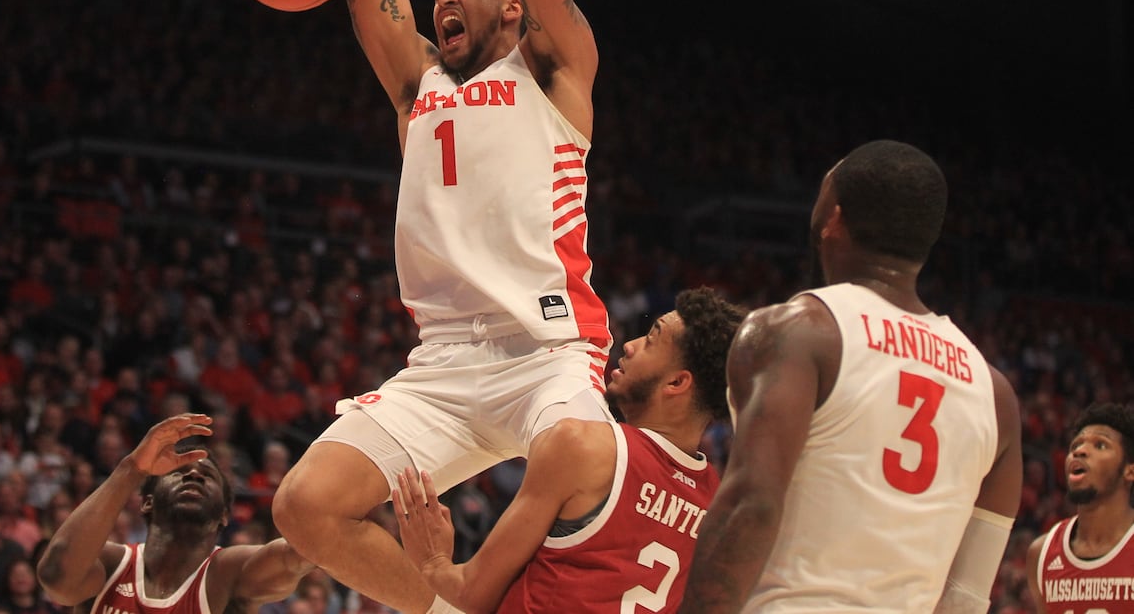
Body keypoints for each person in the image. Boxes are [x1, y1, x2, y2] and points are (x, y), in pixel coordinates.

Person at [271, 0, 614, 614]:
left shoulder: (554, 70)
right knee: (304, 506)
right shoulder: (417, 86)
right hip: (443, 364)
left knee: (590, 484)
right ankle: (451, 609)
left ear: (512, 14)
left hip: (552, 353)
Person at [675, 140, 1023, 613]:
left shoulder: (799, 332)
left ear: (832, 218)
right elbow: (967, 593)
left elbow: (749, 505)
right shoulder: (995, 393)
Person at [394, 287, 746, 613]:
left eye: (651, 340)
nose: (630, 345)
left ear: (677, 382)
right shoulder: (718, 507)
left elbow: (471, 593)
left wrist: (433, 561)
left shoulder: (583, 446)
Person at [37, 413, 312, 614]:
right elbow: (56, 578)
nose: (194, 475)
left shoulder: (226, 571)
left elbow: (296, 556)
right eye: (178, 473)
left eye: (208, 475)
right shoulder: (112, 563)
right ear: (147, 503)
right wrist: (131, 469)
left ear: (224, 517)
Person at [1026, 402, 1134, 614]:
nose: (1080, 451)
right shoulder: (1041, 554)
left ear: (1129, 471)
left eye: (1100, 445)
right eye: (1075, 446)